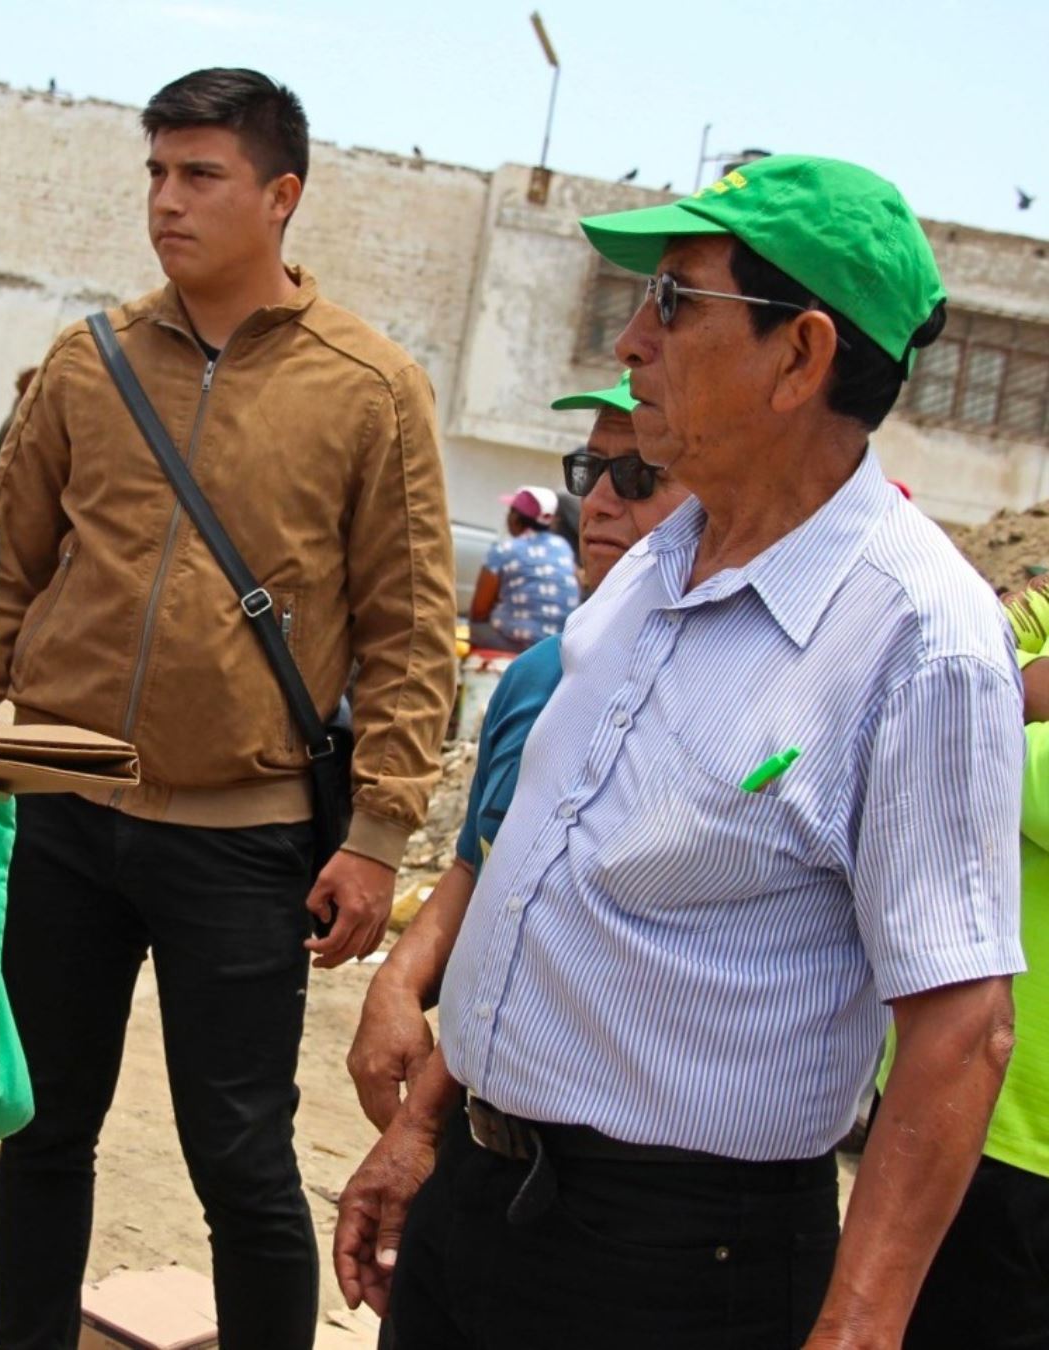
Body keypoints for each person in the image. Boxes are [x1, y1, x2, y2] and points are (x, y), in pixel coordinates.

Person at [335, 154, 1023, 1349]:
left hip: (676, 1266)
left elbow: (963, 1032)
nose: (636, 341)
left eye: (675, 301)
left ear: (801, 358)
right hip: (485, 1204)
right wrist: (430, 1129)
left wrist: (855, 1332)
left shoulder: (920, 639)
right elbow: (547, 884)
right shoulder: (653, 565)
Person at [0, 68, 456, 1349]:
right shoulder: (88, 362)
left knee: (240, 1162)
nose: (168, 201)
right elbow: (7, 574)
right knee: (40, 1133)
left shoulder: (371, 389)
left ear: (281, 195)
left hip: (243, 835)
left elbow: (412, 631)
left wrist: (376, 836)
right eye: (156, 172)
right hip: (65, 816)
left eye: (201, 175)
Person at [346, 371, 689, 1133]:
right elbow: (480, 860)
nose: (598, 501)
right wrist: (398, 985)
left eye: (637, 477)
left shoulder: (733, 702)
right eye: (588, 470)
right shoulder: (538, 676)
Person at [889, 577, 1049, 1348]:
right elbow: (936, 706)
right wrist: (1013, 689)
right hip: (958, 1102)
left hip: (1024, 1141)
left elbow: (962, 731)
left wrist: (994, 697)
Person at [465, 485, 579, 652]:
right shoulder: (563, 547)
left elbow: (479, 612)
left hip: (516, 645)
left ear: (516, 518)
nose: (507, 516)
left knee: (476, 627)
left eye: (511, 511)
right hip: (556, 645)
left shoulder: (503, 550)